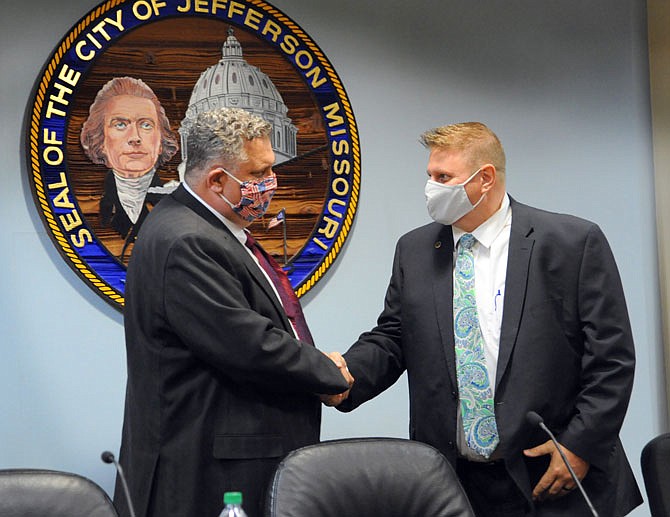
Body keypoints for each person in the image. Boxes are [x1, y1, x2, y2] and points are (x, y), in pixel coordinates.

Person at [329, 122, 642, 516]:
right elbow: (394, 337)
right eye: (429, 176)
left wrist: (580, 445)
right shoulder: (415, 250)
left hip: (552, 471)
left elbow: (612, 359)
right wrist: (343, 376)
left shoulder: (570, 243)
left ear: (485, 179)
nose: (431, 188)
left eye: (444, 178)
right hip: (456, 480)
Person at [115, 107, 353, 517]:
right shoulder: (186, 241)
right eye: (258, 175)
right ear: (217, 180)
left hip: (224, 459)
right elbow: (249, 344)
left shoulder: (202, 226)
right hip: (206, 473)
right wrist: (328, 373)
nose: (270, 184)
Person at [80, 76, 179, 257]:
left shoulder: (180, 205)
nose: (135, 137)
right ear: (100, 140)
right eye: (120, 124)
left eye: (146, 125)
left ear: (161, 141)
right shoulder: (83, 209)